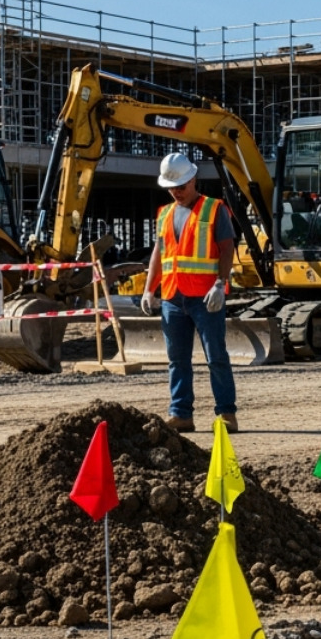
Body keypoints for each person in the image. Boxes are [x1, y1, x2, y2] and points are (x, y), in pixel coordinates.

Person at [140, 153, 239, 434]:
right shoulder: (164, 213)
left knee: (216, 356)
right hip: (173, 296)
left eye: (181, 186)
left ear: (193, 180)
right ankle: (181, 413)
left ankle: (227, 413)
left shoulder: (214, 209)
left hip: (206, 296)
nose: (177, 192)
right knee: (177, 359)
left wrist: (221, 283)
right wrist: (149, 289)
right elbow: (159, 254)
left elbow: (227, 248)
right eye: (172, 188)